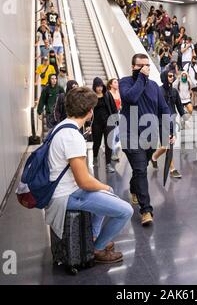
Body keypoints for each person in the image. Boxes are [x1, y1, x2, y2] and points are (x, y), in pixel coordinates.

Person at [45, 86, 133, 264]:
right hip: (65, 195)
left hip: (59, 190)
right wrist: (105, 187)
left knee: (103, 195)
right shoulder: (72, 136)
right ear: (89, 111)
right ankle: (98, 248)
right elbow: (84, 182)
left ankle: (92, 237)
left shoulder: (60, 127)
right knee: (125, 211)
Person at [119, 54, 174, 226]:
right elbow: (131, 98)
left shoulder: (154, 87)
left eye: (147, 66)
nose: (145, 68)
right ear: (133, 67)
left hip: (150, 135)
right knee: (141, 170)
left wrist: (169, 131)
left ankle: (134, 188)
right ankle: (146, 210)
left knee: (141, 167)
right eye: (141, 66)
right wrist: (141, 77)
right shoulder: (125, 82)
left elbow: (163, 109)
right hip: (130, 135)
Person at [151, 71, 186, 179]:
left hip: (172, 120)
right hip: (162, 121)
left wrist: (185, 118)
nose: (172, 77)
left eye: (172, 76)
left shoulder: (174, 91)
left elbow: (179, 106)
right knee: (168, 145)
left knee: (167, 146)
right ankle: (172, 169)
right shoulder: (158, 91)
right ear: (164, 77)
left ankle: (154, 157)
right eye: (170, 76)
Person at [91, 77, 118, 173]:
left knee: (109, 144)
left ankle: (108, 164)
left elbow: (114, 108)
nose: (100, 88)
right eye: (98, 86)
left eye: (101, 86)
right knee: (97, 143)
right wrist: (87, 124)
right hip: (96, 123)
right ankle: (94, 157)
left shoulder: (107, 94)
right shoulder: (91, 96)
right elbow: (88, 110)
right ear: (94, 87)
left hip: (108, 122)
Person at [107, 78, 122, 162]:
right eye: (115, 82)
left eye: (117, 82)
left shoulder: (118, 93)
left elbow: (119, 106)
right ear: (110, 85)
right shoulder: (109, 94)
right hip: (112, 116)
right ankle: (112, 153)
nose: (117, 84)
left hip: (118, 115)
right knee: (112, 135)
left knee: (118, 135)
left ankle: (113, 150)